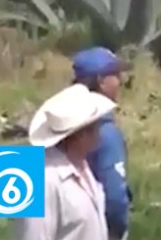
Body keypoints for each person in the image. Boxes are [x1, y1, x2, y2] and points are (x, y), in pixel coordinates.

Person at [16, 84, 117, 240]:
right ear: (80, 134)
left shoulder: (83, 165)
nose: (99, 130)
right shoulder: (43, 180)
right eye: (94, 126)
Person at [71, 47, 133, 240]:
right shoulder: (105, 134)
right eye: (115, 75)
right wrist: (116, 232)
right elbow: (115, 199)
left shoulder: (60, 126)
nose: (120, 81)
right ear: (101, 81)